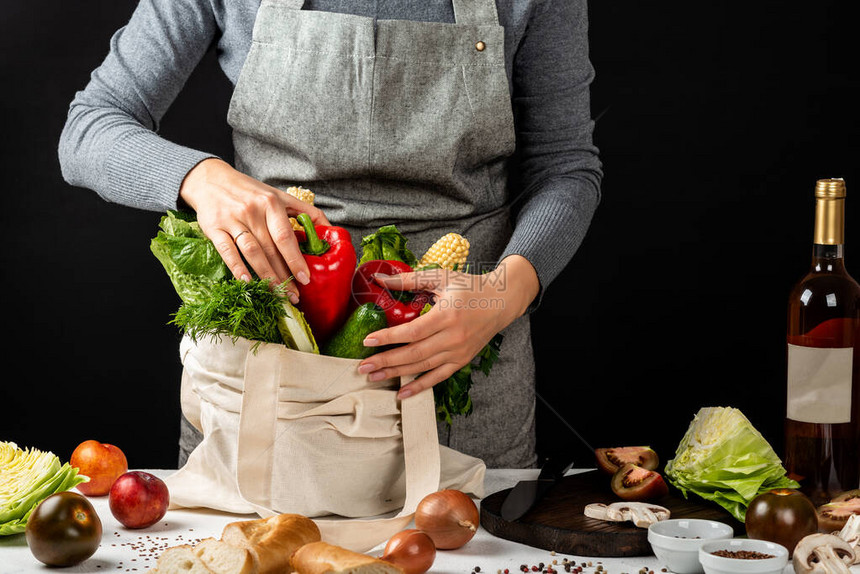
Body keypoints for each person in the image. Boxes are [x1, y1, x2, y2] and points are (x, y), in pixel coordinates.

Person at [59, 0, 602, 470]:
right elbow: (89, 128)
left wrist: (503, 293)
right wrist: (201, 178)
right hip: (267, 367)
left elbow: (565, 165)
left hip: (457, 372)